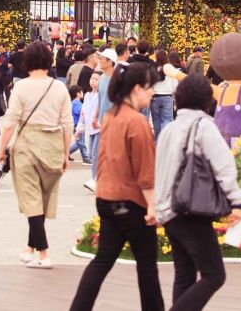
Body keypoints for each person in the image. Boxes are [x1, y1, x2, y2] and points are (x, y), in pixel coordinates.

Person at [68, 62, 163, 311]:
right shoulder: (137, 122)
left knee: (102, 261)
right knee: (146, 266)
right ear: (135, 89)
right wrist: (152, 205)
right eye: (148, 87)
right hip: (132, 202)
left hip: (107, 197)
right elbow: (145, 171)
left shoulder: (112, 116)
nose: (152, 92)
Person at [155, 73, 241, 310]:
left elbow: (159, 170)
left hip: (170, 212)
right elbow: (224, 166)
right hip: (191, 209)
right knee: (214, 275)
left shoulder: (168, 130)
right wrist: (236, 202)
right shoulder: (205, 127)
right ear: (207, 99)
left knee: (184, 274)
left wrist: (158, 208)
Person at [0, 41, 73, 269]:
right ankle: (30, 248)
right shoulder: (59, 88)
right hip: (53, 145)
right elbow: (67, 125)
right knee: (41, 199)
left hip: (27, 145)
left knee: (31, 199)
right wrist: (66, 154)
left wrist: (1, 150)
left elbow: (10, 122)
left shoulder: (21, 87)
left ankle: (45, 253)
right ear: (49, 61)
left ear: (26, 61)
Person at [86, 48, 118, 193]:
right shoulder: (103, 78)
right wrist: (95, 116)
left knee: (110, 153)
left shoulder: (117, 80)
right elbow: (100, 98)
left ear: (110, 62)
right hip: (101, 121)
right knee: (97, 152)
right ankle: (96, 179)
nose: (100, 61)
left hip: (113, 122)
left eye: (103, 59)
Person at [150, 49, 177, 138]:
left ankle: (158, 139)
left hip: (155, 96)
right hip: (168, 96)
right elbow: (175, 83)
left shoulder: (153, 68)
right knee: (167, 120)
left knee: (156, 120)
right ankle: (166, 139)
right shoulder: (170, 68)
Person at [75, 72, 100, 166]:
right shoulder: (87, 95)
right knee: (91, 155)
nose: (93, 81)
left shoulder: (101, 95)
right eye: (92, 78)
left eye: (96, 79)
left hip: (99, 128)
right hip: (90, 128)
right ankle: (95, 178)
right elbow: (83, 114)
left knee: (95, 155)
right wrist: (79, 129)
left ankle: (96, 178)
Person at [67, 84, 91, 163]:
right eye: (81, 92)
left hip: (76, 124)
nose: (82, 93)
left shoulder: (73, 102)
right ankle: (67, 153)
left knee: (80, 142)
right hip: (78, 125)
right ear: (78, 93)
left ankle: (84, 157)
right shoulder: (77, 103)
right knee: (80, 143)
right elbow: (79, 111)